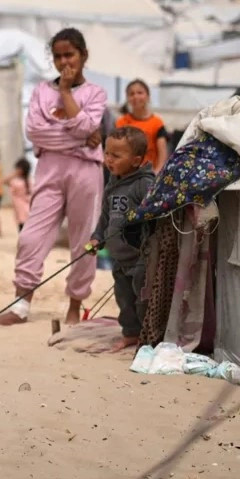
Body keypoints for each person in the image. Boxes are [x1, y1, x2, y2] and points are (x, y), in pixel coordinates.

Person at [0, 27, 106, 326]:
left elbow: (88, 127)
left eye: (70, 55)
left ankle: (75, 306)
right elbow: (35, 132)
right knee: (31, 236)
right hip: (50, 170)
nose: (64, 61)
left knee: (84, 240)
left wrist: (66, 94)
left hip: (85, 173)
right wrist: (79, 136)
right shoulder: (41, 92)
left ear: (83, 56)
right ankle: (21, 305)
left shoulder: (95, 93)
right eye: (58, 56)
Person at [90, 127, 155, 352]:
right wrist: (98, 237)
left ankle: (149, 336)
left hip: (141, 258)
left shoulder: (144, 184)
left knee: (143, 298)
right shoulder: (112, 183)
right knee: (124, 299)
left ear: (136, 161)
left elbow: (155, 217)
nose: (109, 160)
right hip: (119, 259)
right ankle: (131, 334)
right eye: (107, 153)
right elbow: (106, 216)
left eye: (116, 156)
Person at [116, 79, 169, 171]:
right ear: (127, 98)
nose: (135, 96)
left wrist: (156, 175)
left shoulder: (157, 123)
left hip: (149, 174)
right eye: (131, 94)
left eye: (140, 92)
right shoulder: (121, 122)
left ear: (148, 96)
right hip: (126, 174)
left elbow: (162, 155)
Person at [7, 157, 32, 232]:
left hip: (22, 207)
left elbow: (4, 181)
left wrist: (14, 175)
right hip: (23, 207)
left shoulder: (19, 182)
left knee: (22, 226)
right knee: (23, 225)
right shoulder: (27, 180)